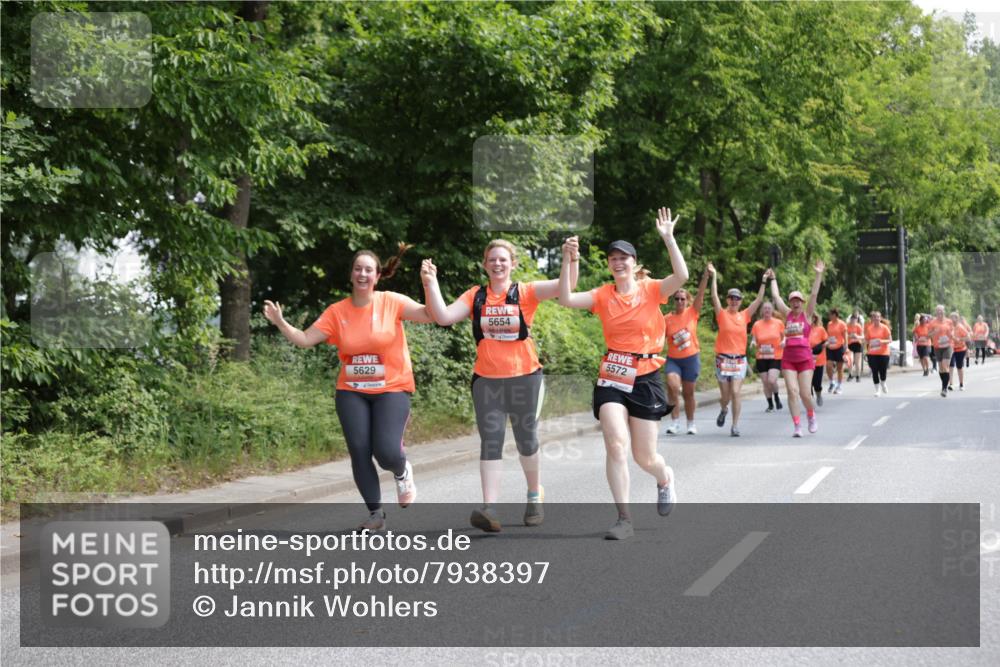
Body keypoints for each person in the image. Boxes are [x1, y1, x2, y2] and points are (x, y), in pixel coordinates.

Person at [263, 246, 427, 531]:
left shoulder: (391, 302)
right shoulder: (337, 312)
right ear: (351, 274)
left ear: (377, 276)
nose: (362, 274)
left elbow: (430, 314)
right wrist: (280, 322)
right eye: (357, 269)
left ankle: (402, 472)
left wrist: (429, 283)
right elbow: (305, 339)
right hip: (352, 391)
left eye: (368, 270)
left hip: (392, 388)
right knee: (360, 450)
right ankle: (376, 514)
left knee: (387, 452)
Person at [419, 240, 578, 533]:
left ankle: (534, 495)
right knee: (490, 441)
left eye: (503, 259)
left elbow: (565, 287)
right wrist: (430, 283)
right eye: (492, 259)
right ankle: (489, 508)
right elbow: (443, 317)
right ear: (485, 265)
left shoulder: (526, 292)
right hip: (486, 380)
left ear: (512, 264)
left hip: (525, 376)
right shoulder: (475, 296)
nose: (497, 264)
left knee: (525, 439)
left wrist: (570, 258)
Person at [557, 207, 688, 540]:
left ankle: (664, 477)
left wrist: (669, 239)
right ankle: (624, 519)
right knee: (616, 444)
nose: (618, 263)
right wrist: (569, 259)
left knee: (645, 457)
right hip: (613, 375)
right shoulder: (602, 295)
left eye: (623, 258)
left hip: (646, 376)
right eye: (613, 258)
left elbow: (682, 276)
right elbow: (566, 298)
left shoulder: (651, 289)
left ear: (634, 262)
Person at [709, 264, 770, 437]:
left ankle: (735, 425)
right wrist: (714, 275)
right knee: (725, 396)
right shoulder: (721, 314)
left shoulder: (745, 315)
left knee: (736, 392)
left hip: (738, 360)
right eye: (731, 298)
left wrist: (764, 280)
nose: (734, 301)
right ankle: (724, 409)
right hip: (723, 359)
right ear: (727, 300)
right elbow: (714, 296)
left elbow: (758, 300)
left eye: (737, 298)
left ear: (740, 301)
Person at [769, 260, 825, 436]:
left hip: (805, 359)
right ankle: (797, 426)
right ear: (790, 303)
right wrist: (773, 279)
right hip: (788, 360)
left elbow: (814, 294)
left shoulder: (807, 315)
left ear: (802, 302)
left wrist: (818, 274)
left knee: (805, 394)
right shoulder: (787, 314)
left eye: (798, 301)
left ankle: (811, 415)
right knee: (792, 392)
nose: (795, 303)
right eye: (793, 301)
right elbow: (776, 297)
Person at [663, 268, 709, 435]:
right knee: (673, 386)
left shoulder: (692, 313)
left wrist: (705, 277)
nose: (680, 301)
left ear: (687, 301)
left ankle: (691, 423)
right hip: (673, 360)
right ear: (673, 301)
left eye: (683, 299)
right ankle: (675, 422)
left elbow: (701, 295)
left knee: (689, 394)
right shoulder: (667, 319)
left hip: (691, 358)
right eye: (677, 299)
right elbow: (659, 338)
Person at [750, 301, 785, 413]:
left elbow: (785, 336)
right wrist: (753, 342)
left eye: (769, 308)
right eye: (765, 308)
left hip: (775, 356)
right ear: (762, 311)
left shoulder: (778, 323)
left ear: (772, 310)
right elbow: (754, 338)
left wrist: (784, 341)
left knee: (771, 380)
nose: (767, 310)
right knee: (765, 382)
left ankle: (777, 397)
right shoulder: (757, 324)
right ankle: (770, 404)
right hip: (761, 356)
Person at [928, 305, 955, 397]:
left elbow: (952, 331)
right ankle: (944, 385)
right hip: (937, 346)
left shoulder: (949, 322)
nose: (940, 312)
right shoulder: (932, 323)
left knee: (945, 365)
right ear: (936, 312)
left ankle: (944, 388)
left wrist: (951, 334)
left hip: (948, 346)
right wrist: (934, 332)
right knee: (941, 368)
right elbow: (928, 334)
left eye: (941, 310)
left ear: (944, 311)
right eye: (938, 311)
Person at [864, 311, 892, 397]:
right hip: (872, 353)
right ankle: (877, 390)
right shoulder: (869, 328)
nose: (876, 318)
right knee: (874, 371)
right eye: (874, 317)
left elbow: (890, 340)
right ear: (872, 319)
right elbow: (866, 340)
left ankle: (883, 382)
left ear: (880, 318)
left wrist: (881, 341)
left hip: (883, 353)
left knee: (883, 370)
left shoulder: (884, 328)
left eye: (878, 317)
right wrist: (870, 342)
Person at [825, 309, 847, 393]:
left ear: (835, 315)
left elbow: (845, 336)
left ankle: (839, 386)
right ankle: (832, 382)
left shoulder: (842, 324)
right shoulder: (829, 324)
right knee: (828, 365)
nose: (829, 316)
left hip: (839, 347)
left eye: (830, 315)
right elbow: (828, 335)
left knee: (839, 368)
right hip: (830, 347)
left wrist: (846, 346)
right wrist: (827, 341)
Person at [949, 312, 972, 391]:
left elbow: (968, 337)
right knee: (951, 365)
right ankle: (951, 384)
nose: (951, 319)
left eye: (953, 317)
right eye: (950, 317)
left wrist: (960, 339)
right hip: (951, 349)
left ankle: (961, 384)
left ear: (956, 319)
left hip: (960, 349)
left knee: (959, 367)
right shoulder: (950, 327)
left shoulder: (960, 327)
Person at [810, 313, 829, 406]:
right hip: (806, 359)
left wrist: (822, 346)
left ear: (814, 318)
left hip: (818, 360)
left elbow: (827, 341)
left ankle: (818, 395)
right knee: (807, 382)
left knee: (817, 383)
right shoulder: (803, 329)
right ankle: (809, 401)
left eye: (811, 317)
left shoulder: (820, 329)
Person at [846, 314, 865, 382]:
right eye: (852, 319)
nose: (853, 320)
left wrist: (857, 336)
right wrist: (850, 336)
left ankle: (858, 376)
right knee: (850, 360)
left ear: (857, 320)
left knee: (857, 362)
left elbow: (863, 336)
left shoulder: (858, 326)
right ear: (850, 319)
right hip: (850, 345)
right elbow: (844, 336)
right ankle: (850, 375)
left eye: (855, 319)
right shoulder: (847, 326)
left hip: (858, 344)